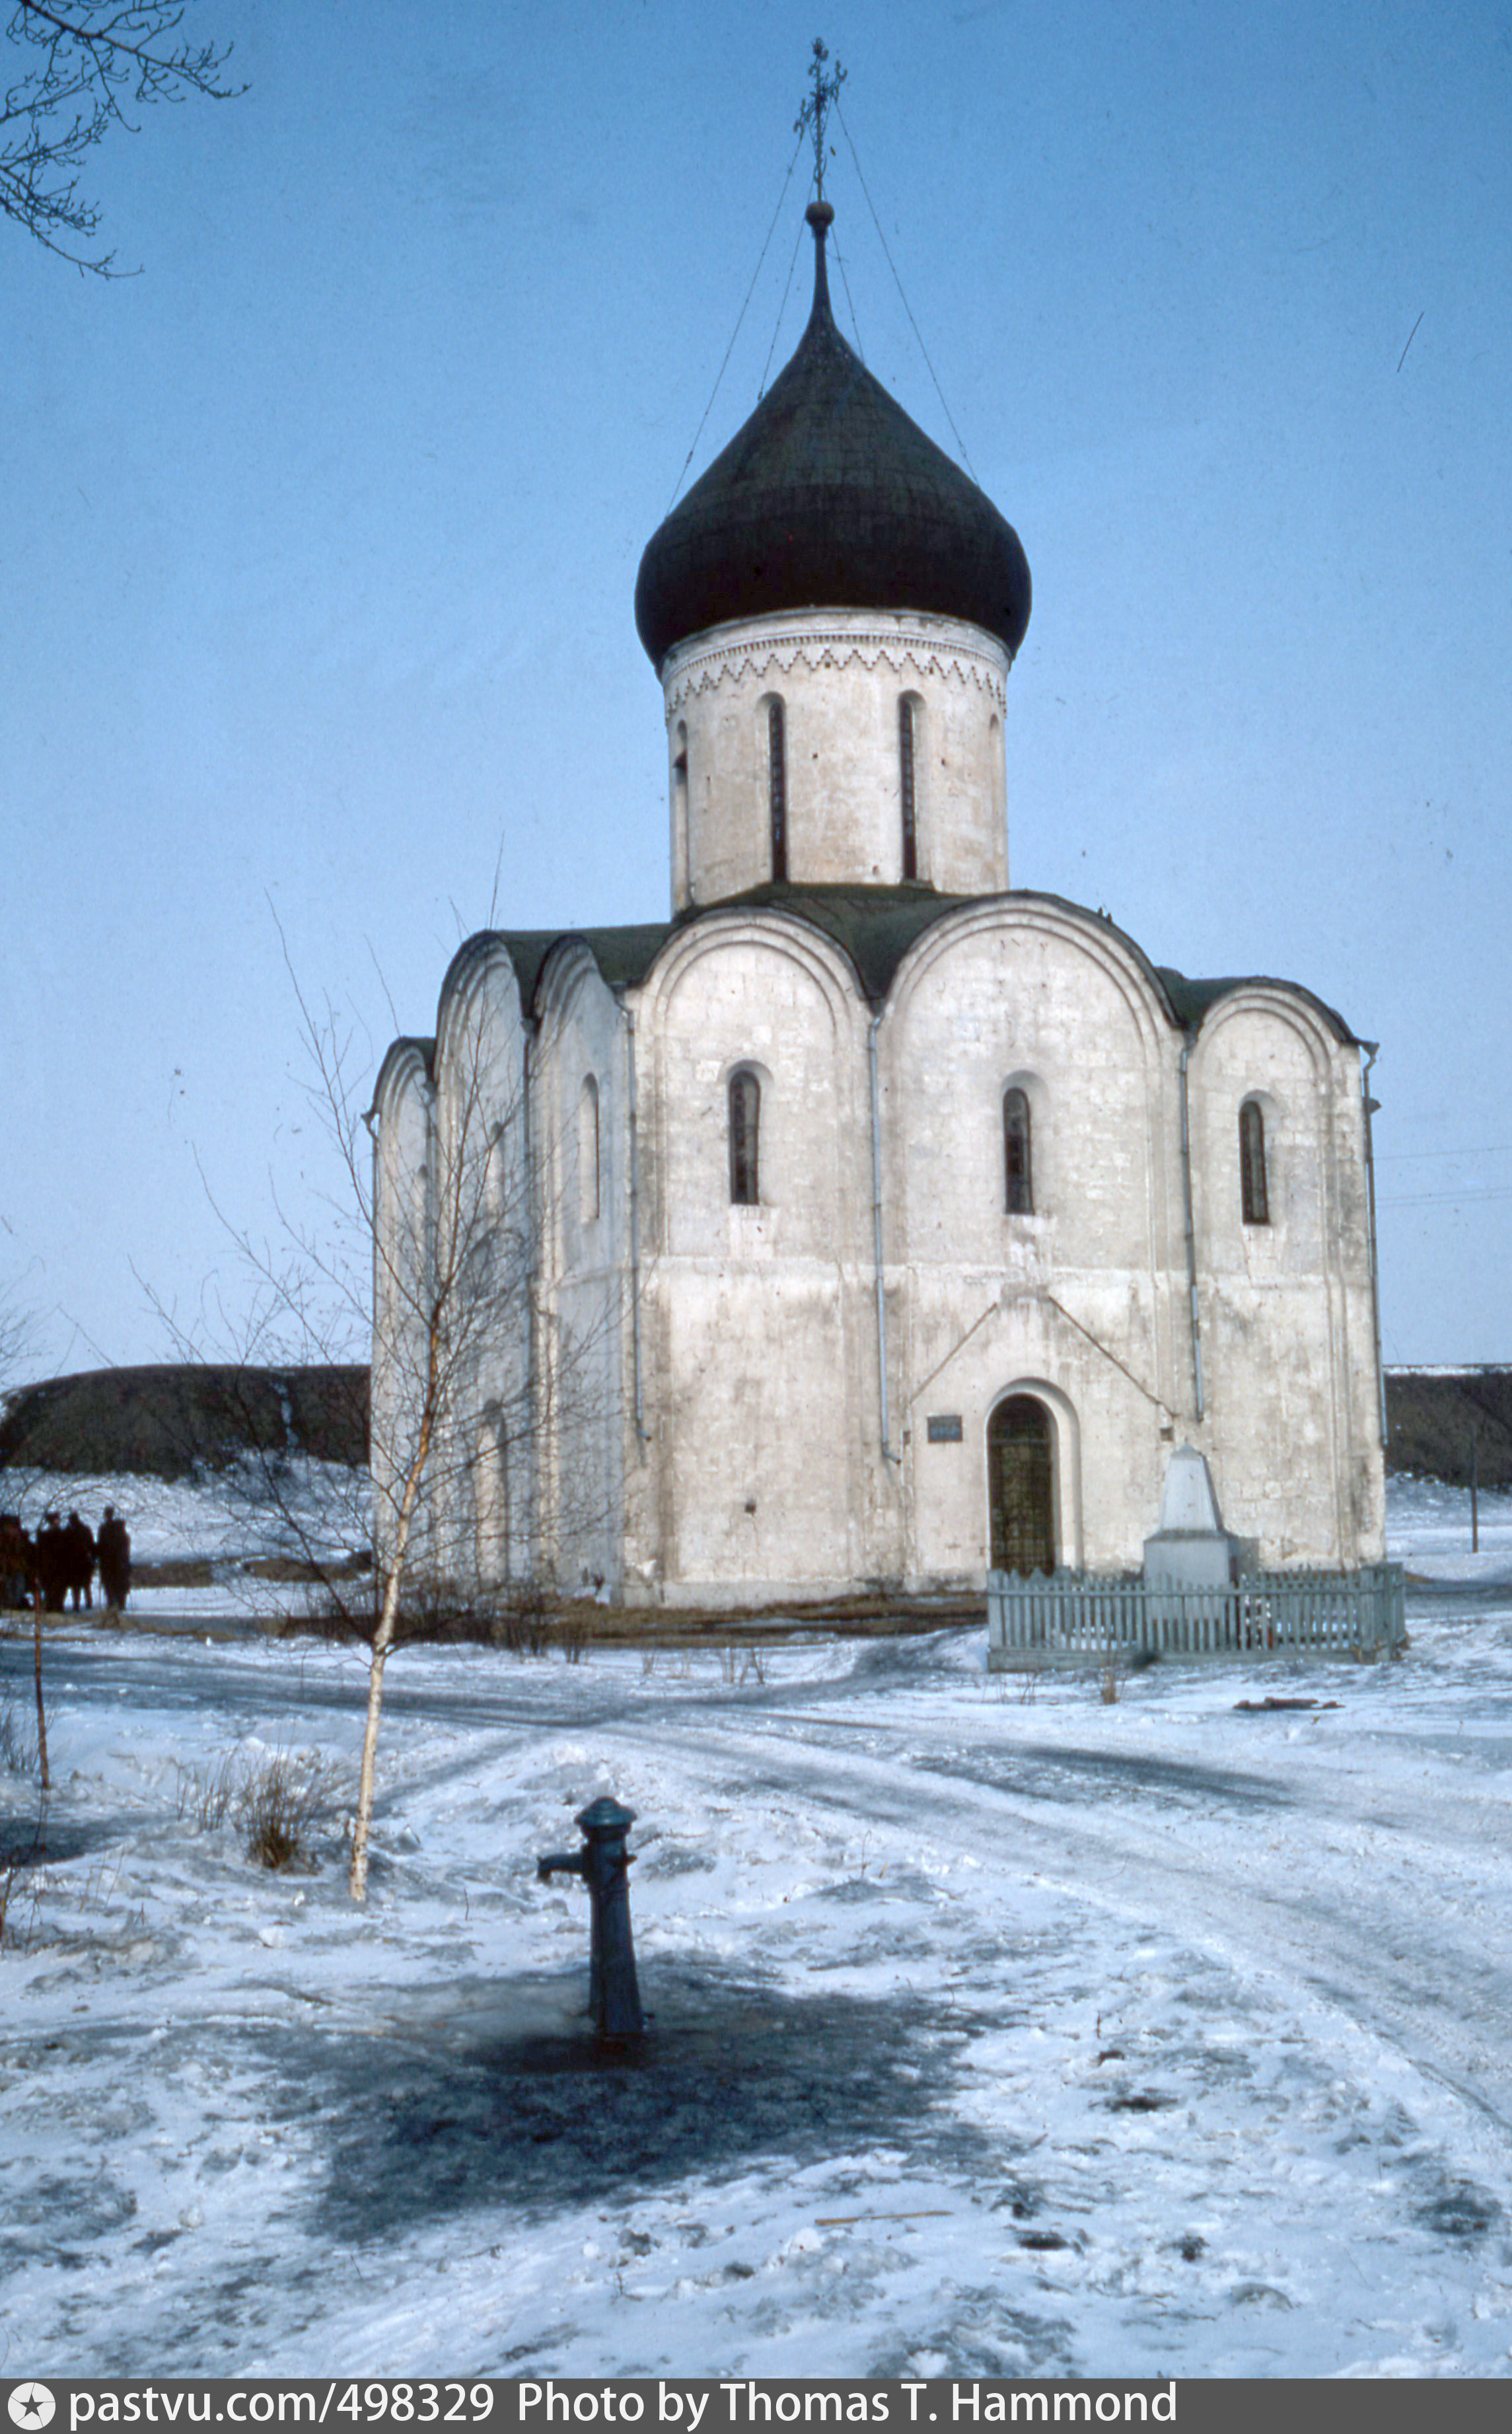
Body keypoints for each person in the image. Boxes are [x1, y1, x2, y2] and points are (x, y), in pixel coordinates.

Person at [97, 1506, 131, 1612]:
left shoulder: (104, 1529)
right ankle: (121, 1604)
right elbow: (126, 1548)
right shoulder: (122, 1533)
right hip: (121, 1563)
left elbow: (101, 1546)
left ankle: (112, 1604)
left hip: (108, 1563)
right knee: (120, 1585)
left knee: (109, 1585)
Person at [63, 1510, 96, 1611]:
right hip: (83, 1561)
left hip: (74, 1562)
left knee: (76, 1586)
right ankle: (88, 1603)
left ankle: (77, 1605)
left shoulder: (68, 1531)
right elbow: (91, 1545)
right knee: (85, 1585)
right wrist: (93, 1558)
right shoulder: (85, 1529)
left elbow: (64, 1547)